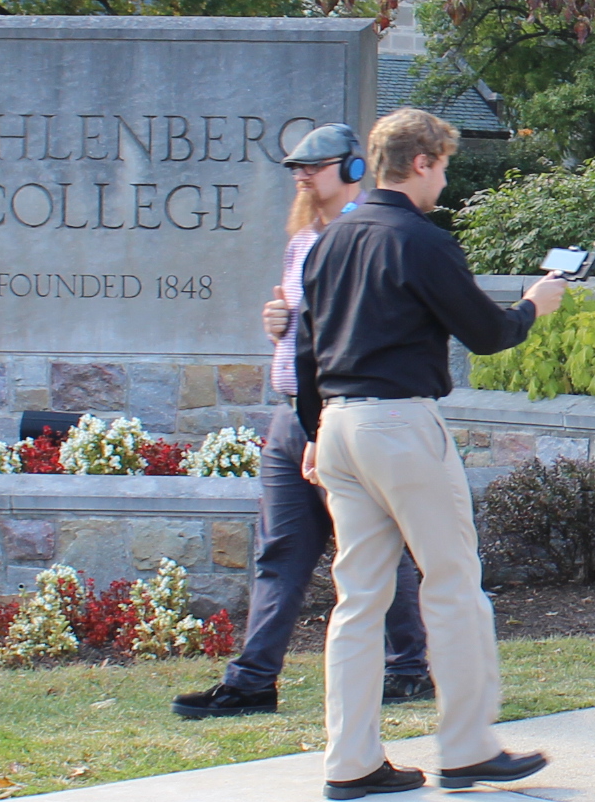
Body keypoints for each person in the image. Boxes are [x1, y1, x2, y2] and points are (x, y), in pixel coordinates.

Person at [295, 106, 567, 800]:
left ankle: (350, 760)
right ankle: (469, 745)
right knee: (451, 581)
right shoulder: (421, 240)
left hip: (338, 427)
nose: (444, 181)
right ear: (421, 162)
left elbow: (305, 350)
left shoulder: (330, 240)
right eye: (442, 166)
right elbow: (486, 333)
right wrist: (536, 304)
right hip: (400, 425)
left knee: (358, 596)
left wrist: (311, 435)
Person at [172, 123, 429, 723]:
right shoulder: (300, 241)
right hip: (290, 416)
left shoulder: (369, 235)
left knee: (372, 548)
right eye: (296, 169)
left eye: (312, 167)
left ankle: (410, 669)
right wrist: (277, 321)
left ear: (354, 169)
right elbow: (303, 324)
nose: (301, 178)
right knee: (280, 552)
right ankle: (253, 681)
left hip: (338, 417)